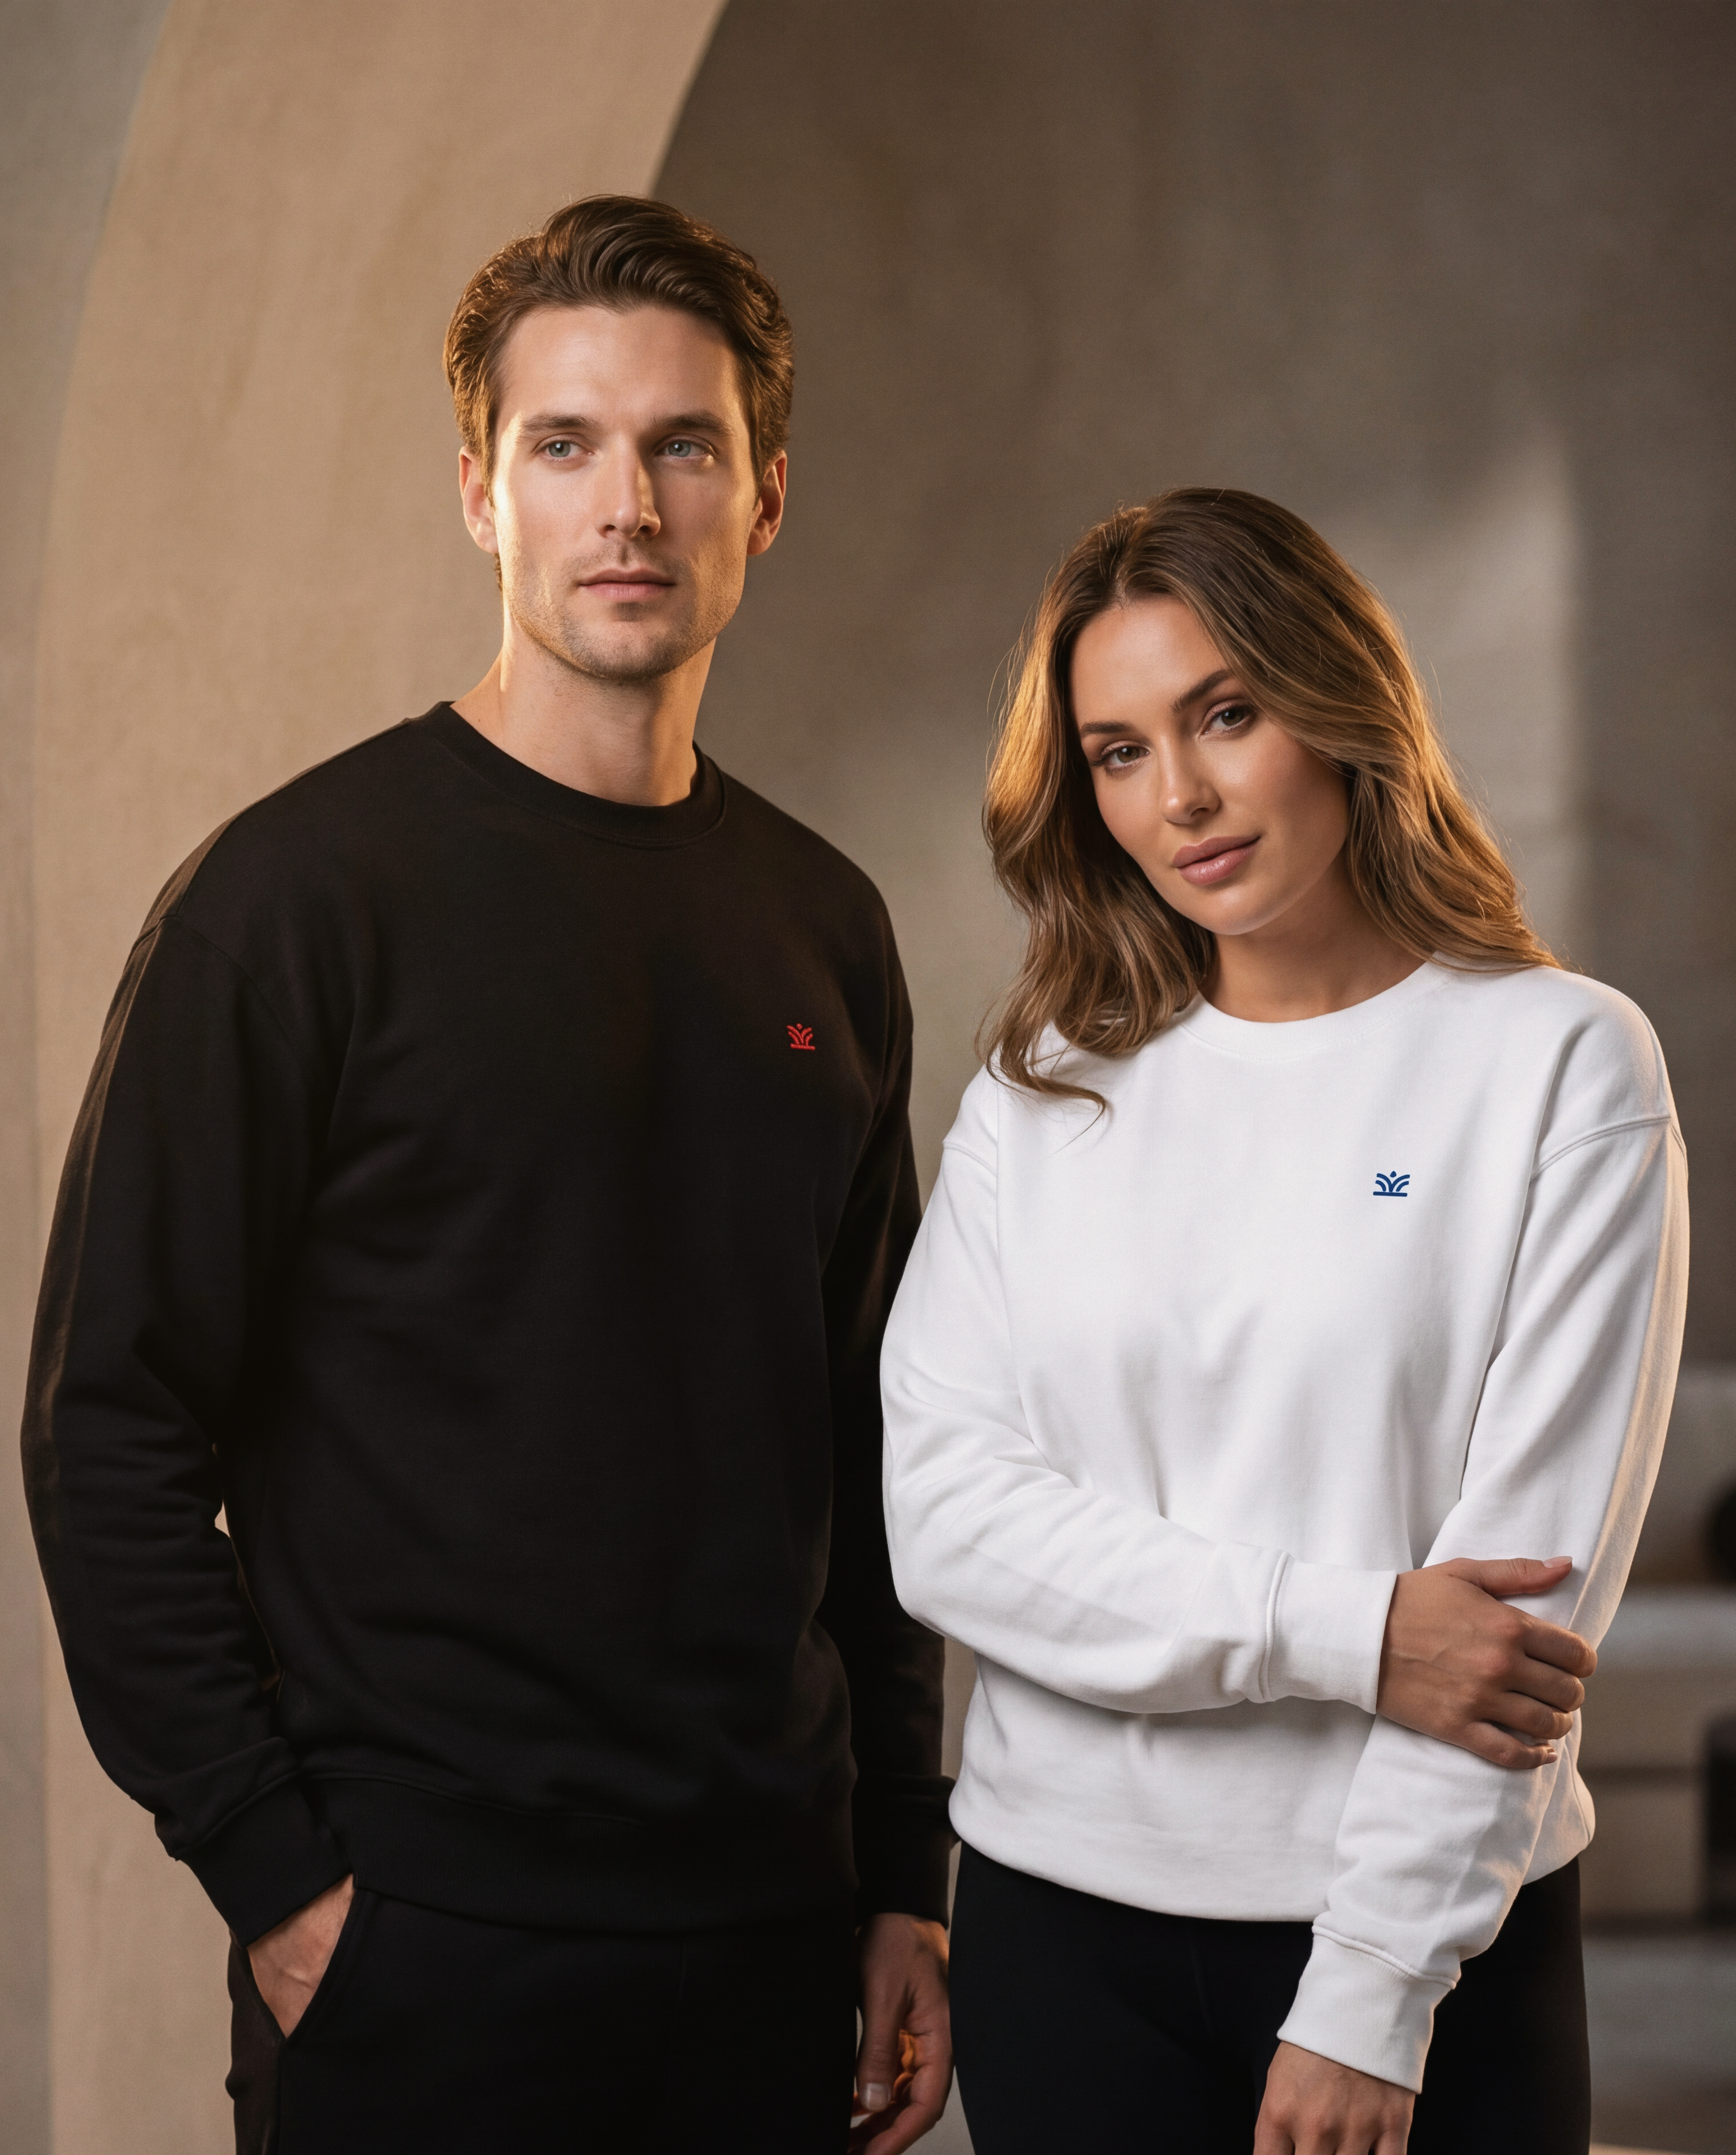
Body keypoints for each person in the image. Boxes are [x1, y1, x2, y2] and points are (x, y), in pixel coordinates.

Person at [23, 196, 953, 2155]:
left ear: (764, 498)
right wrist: (281, 1881)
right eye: (566, 444)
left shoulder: (825, 927)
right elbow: (105, 1424)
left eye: (683, 445)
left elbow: (871, 1443)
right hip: (420, 1947)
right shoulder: (294, 907)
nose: (630, 502)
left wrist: (901, 1872)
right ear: (479, 493)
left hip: (774, 1937)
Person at [881, 489, 1686, 2154]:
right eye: (1115, 751)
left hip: (1414, 1951)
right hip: (1058, 1928)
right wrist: (1354, 1631)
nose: (1178, 797)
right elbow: (946, 1526)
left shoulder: (1560, 1065)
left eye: (1224, 715)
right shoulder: (1045, 1100)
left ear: (1339, 705)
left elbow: (1525, 1626)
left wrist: (1374, 1993)